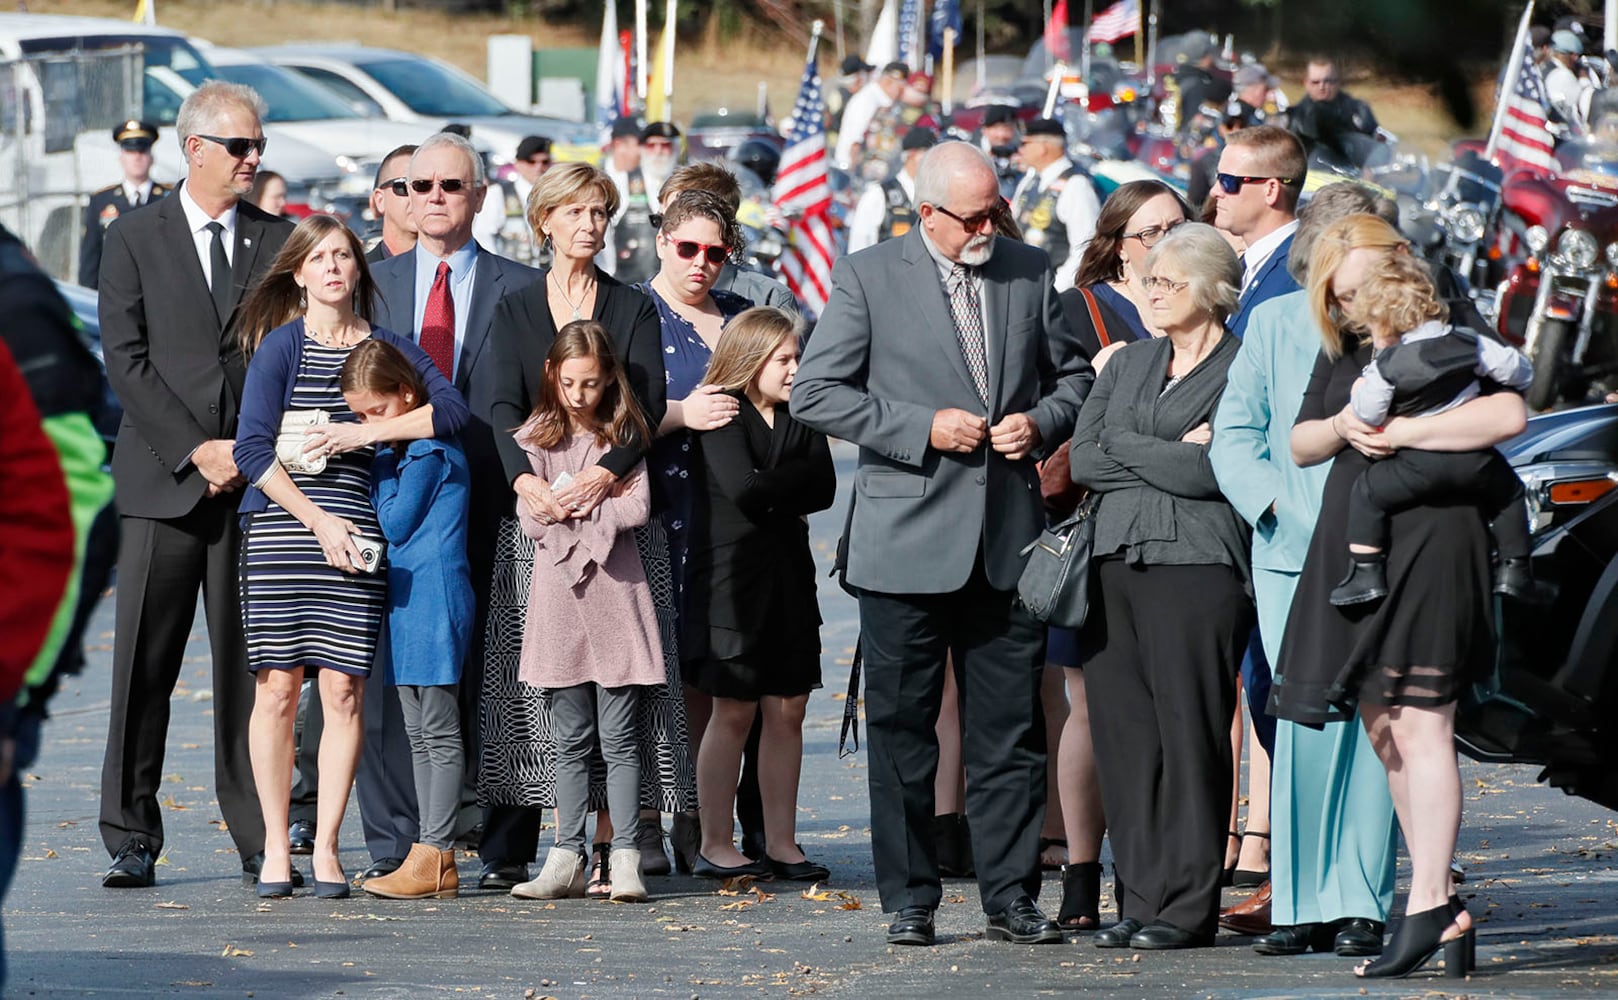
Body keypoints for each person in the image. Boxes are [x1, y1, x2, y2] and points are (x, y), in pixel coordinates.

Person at [793, 141, 1093, 947]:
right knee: (902, 730)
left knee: (1010, 734)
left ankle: (1011, 897)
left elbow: (1074, 379)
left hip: (1007, 541)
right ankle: (910, 899)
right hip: (904, 541)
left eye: (996, 209)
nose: (988, 225)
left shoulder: (1028, 270)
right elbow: (816, 391)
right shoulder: (867, 275)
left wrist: (1042, 422)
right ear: (925, 212)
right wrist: (919, 427)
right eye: (972, 216)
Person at [1278, 212, 1517, 978]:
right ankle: (1443, 907)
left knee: (1421, 722)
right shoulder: (1349, 342)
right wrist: (1348, 423)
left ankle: (1426, 899)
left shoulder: (1447, 326)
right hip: (1358, 542)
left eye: (1358, 292)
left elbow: (1509, 414)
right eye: (1339, 298)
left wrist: (1405, 437)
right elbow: (1301, 441)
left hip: (1436, 538)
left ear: (1395, 271)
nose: (1351, 309)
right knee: (1383, 722)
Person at [231, 214, 469, 898]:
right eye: (321, 257)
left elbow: (450, 410)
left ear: (358, 271)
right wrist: (316, 520)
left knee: (344, 691)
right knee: (278, 690)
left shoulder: (387, 346)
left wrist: (362, 437)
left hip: (359, 539)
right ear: (299, 273)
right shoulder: (280, 348)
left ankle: (330, 847)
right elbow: (251, 451)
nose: (335, 267)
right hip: (285, 531)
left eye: (345, 256)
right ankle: (278, 846)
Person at [96, 81, 294, 890]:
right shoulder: (133, 236)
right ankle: (131, 833)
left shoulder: (279, 240)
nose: (253, 159)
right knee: (144, 666)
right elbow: (126, 359)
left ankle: (258, 833)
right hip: (163, 481)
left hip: (252, 486)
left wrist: (244, 453)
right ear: (195, 149)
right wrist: (195, 450)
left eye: (259, 146)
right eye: (240, 146)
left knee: (249, 670)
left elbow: (289, 357)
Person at [483, 162, 678, 888]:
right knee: (560, 703)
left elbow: (650, 400)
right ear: (545, 220)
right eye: (575, 212)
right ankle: (562, 849)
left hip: (621, 517)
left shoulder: (632, 305)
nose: (589, 224)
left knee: (623, 711)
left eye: (600, 211)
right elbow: (500, 405)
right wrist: (527, 481)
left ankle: (623, 848)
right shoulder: (515, 305)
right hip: (541, 516)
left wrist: (608, 471)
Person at [1067, 222, 1253, 951]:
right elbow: (1084, 459)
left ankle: (1186, 907)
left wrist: (1138, 449)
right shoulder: (1127, 364)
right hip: (1113, 563)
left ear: (1211, 290)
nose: (1151, 294)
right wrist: (1172, 450)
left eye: (1168, 283)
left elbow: (1216, 473)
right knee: (1126, 740)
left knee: (1191, 735)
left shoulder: (1242, 366)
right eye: (1149, 281)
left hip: (1200, 568)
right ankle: (1139, 900)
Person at [367, 131, 541, 886]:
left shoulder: (521, 286)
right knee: (392, 682)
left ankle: (504, 846)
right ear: (401, 197)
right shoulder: (372, 284)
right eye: (418, 186)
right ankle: (400, 842)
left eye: (450, 186)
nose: (433, 199)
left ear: (477, 194)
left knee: (504, 675)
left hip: (499, 501)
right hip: (397, 508)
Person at [505, 322, 661, 904]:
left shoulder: (623, 436)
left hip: (618, 596)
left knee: (621, 739)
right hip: (560, 602)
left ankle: (623, 857)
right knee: (568, 739)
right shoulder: (535, 438)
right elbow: (532, 519)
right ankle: (565, 854)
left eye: (590, 383)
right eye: (569, 382)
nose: (578, 394)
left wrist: (578, 521)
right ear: (552, 375)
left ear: (608, 380)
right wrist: (593, 520)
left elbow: (637, 508)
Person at [686, 307, 835, 882]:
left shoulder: (803, 412)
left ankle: (782, 842)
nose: (796, 368)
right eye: (784, 359)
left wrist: (771, 484)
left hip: (789, 578)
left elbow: (823, 487)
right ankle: (715, 842)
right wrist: (783, 483)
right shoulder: (723, 413)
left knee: (788, 709)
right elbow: (744, 491)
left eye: (797, 356)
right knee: (735, 710)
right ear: (752, 361)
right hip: (729, 580)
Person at [639, 189, 755, 871]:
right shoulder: (633, 312)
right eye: (688, 249)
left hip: (730, 520)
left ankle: (702, 821)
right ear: (662, 242)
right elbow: (605, 421)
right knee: (650, 673)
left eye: (716, 253)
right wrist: (681, 414)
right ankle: (645, 821)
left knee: (710, 674)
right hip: (654, 510)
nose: (701, 264)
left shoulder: (740, 318)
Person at [345, 339, 474, 901]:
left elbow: (395, 524)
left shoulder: (426, 454)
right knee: (419, 730)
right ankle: (431, 849)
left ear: (408, 395)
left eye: (377, 412)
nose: (370, 424)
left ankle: (438, 850)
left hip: (435, 598)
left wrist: (373, 457)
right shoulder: (408, 453)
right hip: (410, 600)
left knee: (437, 731)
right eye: (360, 417)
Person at [1327, 270, 1537, 607]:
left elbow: (1368, 413)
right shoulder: (1470, 342)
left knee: (1367, 492)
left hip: (1415, 464)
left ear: (1385, 324)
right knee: (1511, 493)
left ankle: (1365, 572)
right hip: (1474, 460)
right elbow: (1519, 369)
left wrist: (1361, 389)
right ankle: (1516, 570)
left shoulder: (1389, 365)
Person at [1059, 179, 1190, 357]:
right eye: (1150, 233)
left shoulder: (1207, 302)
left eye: (1177, 227)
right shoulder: (1077, 310)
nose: (1168, 241)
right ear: (1120, 248)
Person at [657, 161, 798, 312]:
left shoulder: (767, 299)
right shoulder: (639, 302)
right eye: (659, 220)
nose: (662, 231)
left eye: (674, 219)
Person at [1214, 125, 1305, 339]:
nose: (1215, 191)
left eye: (1228, 181)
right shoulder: (1245, 264)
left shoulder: (1300, 274)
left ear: (1271, 190)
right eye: (1217, 178)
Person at [1010, 118, 1102, 292]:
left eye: (1025, 144)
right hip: (1022, 288)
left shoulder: (1076, 185)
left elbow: (1085, 249)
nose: (1020, 150)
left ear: (1043, 146)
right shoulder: (1029, 182)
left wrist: (1057, 290)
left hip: (1055, 292)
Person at [78, 119, 170, 290]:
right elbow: (91, 258)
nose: (137, 157)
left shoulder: (168, 199)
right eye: (130, 150)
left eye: (142, 150)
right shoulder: (101, 201)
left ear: (151, 157)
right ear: (121, 157)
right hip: (116, 294)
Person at [847, 126, 938, 253]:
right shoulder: (879, 195)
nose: (935, 163)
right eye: (930, 155)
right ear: (911, 154)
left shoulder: (937, 198)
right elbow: (858, 248)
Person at [1286, 58, 1379, 167]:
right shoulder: (1297, 116)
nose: (1322, 87)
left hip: (1355, 175)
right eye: (1315, 82)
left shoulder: (1358, 110)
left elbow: (1376, 149)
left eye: (1328, 81)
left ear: (1338, 82)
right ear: (1306, 83)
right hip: (1315, 176)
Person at [603, 117, 660, 283]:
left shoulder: (648, 179)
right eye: (640, 144)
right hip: (607, 279)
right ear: (619, 145)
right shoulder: (596, 178)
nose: (645, 150)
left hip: (646, 279)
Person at [834, 61, 907, 171]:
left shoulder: (876, 98)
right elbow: (855, 141)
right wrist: (853, 175)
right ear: (888, 82)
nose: (902, 92)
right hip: (851, 167)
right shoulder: (867, 100)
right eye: (901, 87)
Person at [365, 144, 419, 263]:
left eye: (424, 186)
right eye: (404, 186)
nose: (417, 197)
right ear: (379, 200)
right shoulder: (358, 276)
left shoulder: (453, 273)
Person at [1543, 31, 1592, 132]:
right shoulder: (1562, 75)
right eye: (1572, 54)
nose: (1575, 59)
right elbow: (1584, 103)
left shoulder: (1543, 68)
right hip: (1558, 133)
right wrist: (1584, 79)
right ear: (1560, 54)